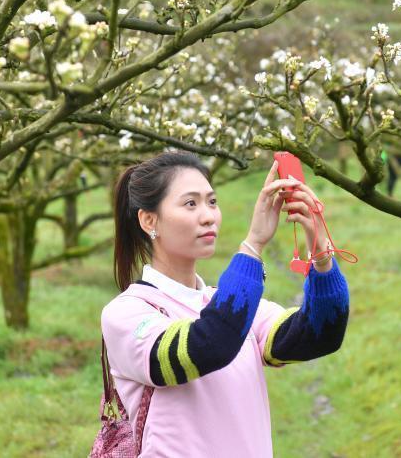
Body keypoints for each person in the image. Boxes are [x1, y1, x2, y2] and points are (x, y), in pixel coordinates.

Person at [100, 150, 350, 456]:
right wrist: (253, 246)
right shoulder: (128, 313)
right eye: (190, 203)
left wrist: (321, 253)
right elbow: (207, 345)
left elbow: (318, 335)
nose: (208, 216)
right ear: (149, 220)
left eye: (212, 202)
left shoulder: (232, 307)